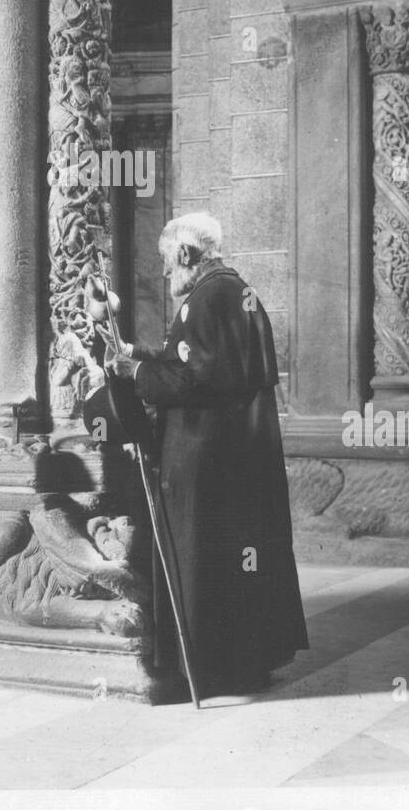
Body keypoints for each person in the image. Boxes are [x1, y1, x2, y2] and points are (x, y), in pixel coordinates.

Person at [93, 213, 308, 698]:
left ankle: (213, 668)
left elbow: (198, 379)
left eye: (169, 265)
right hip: (237, 457)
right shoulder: (235, 292)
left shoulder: (207, 297)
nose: (168, 276)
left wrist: (134, 373)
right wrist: (137, 353)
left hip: (208, 458)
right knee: (240, 562)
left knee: (208, 559)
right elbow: (194, 358)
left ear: (187, 255)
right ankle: (246, 662)